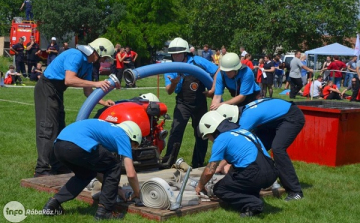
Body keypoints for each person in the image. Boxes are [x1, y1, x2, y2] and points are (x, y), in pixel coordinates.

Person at [34, 37, 116, 177]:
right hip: (47, 88)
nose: (103, 61)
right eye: (104, 57)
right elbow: (69, 79)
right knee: (47, 128)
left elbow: (87, 92)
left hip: (57, 91)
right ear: (98, 50)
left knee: (59, 128)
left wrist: (103, 102)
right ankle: (41, 169)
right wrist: (96, 83)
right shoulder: (75, 55)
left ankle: (57, 165)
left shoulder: (88, 64)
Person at [42, 119, 142, 220]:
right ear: (131, 137)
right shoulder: (122, 135)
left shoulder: (109, 130)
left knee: (86, 174)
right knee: (114, 165)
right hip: (77, 145)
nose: (131, 149)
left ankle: (53, 204)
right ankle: (105, 211)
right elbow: (131, 173)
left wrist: (117, 190)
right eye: (133, 145)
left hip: (59, 146)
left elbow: (97, 169)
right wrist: (137, 193)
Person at [215, 98, 305, 201]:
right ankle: (262, 178)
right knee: (257, 143)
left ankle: (295, 191)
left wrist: (221, 165)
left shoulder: (246, 118)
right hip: (275, 120)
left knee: (278, 149)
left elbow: (236, 144)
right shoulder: (243, 111)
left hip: (292, 117)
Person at [196, 111, 278, 217]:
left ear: (210, 129)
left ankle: (253, 204)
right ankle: (253, 197)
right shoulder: (243, 131)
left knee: (220, 188)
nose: (210, 140)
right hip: (271, 171)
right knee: (235, 174)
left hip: (255, 173)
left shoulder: (221, 139)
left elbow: (209, 171)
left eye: (208, 136)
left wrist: (200, 186)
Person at [162, 37, 219, 168]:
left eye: (178, 53)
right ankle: (169, 161)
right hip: (183, 103)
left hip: (200, 102)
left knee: (202, 132)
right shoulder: (170, 67)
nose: (175, 56)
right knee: (176, 130)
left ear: (185, 52)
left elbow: (217, 70)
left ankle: (198, 163)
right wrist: (173, 84)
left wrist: (213, 88)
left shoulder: (197, 61)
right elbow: (169, 91)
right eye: (173, 54)